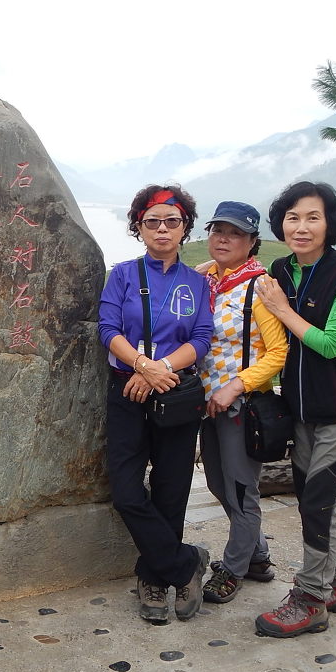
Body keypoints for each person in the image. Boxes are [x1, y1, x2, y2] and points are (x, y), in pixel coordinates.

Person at [253, 181, 336, 638]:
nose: (301, 227)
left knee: (320, 501)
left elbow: (331, 344)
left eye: (313, 217)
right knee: (311, 501)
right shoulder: (282, 269)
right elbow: (249, 280)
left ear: (329, 225)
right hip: (302, 411)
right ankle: (333, 584)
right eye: (293, 217)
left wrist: (283, 309)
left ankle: (310, 599)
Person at [98, 184, 214, 623]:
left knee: (172, 489)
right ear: (139, 227)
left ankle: (153, 577)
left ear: (185, 228)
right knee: (127, 493)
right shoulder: (123, 275)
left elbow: (200, 339)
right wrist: (143, 367)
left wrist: (159, 369)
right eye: (152, 222)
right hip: (127, 389)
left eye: (172, 221)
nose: (162, 229)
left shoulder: (197, 283)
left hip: (176, 392)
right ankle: (185, 564)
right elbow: (108, 329)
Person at [197, 201, 288, 605]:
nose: (224, 239)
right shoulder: (210, 281)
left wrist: (235, 387)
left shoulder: (260, 288)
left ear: (252, 242)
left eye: (235, 233)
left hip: (241, 405)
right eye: (218, 230)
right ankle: (258, 557)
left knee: (239, 490)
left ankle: (232, 570)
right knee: (218, 485)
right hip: (207, 403)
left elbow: (278, 352)